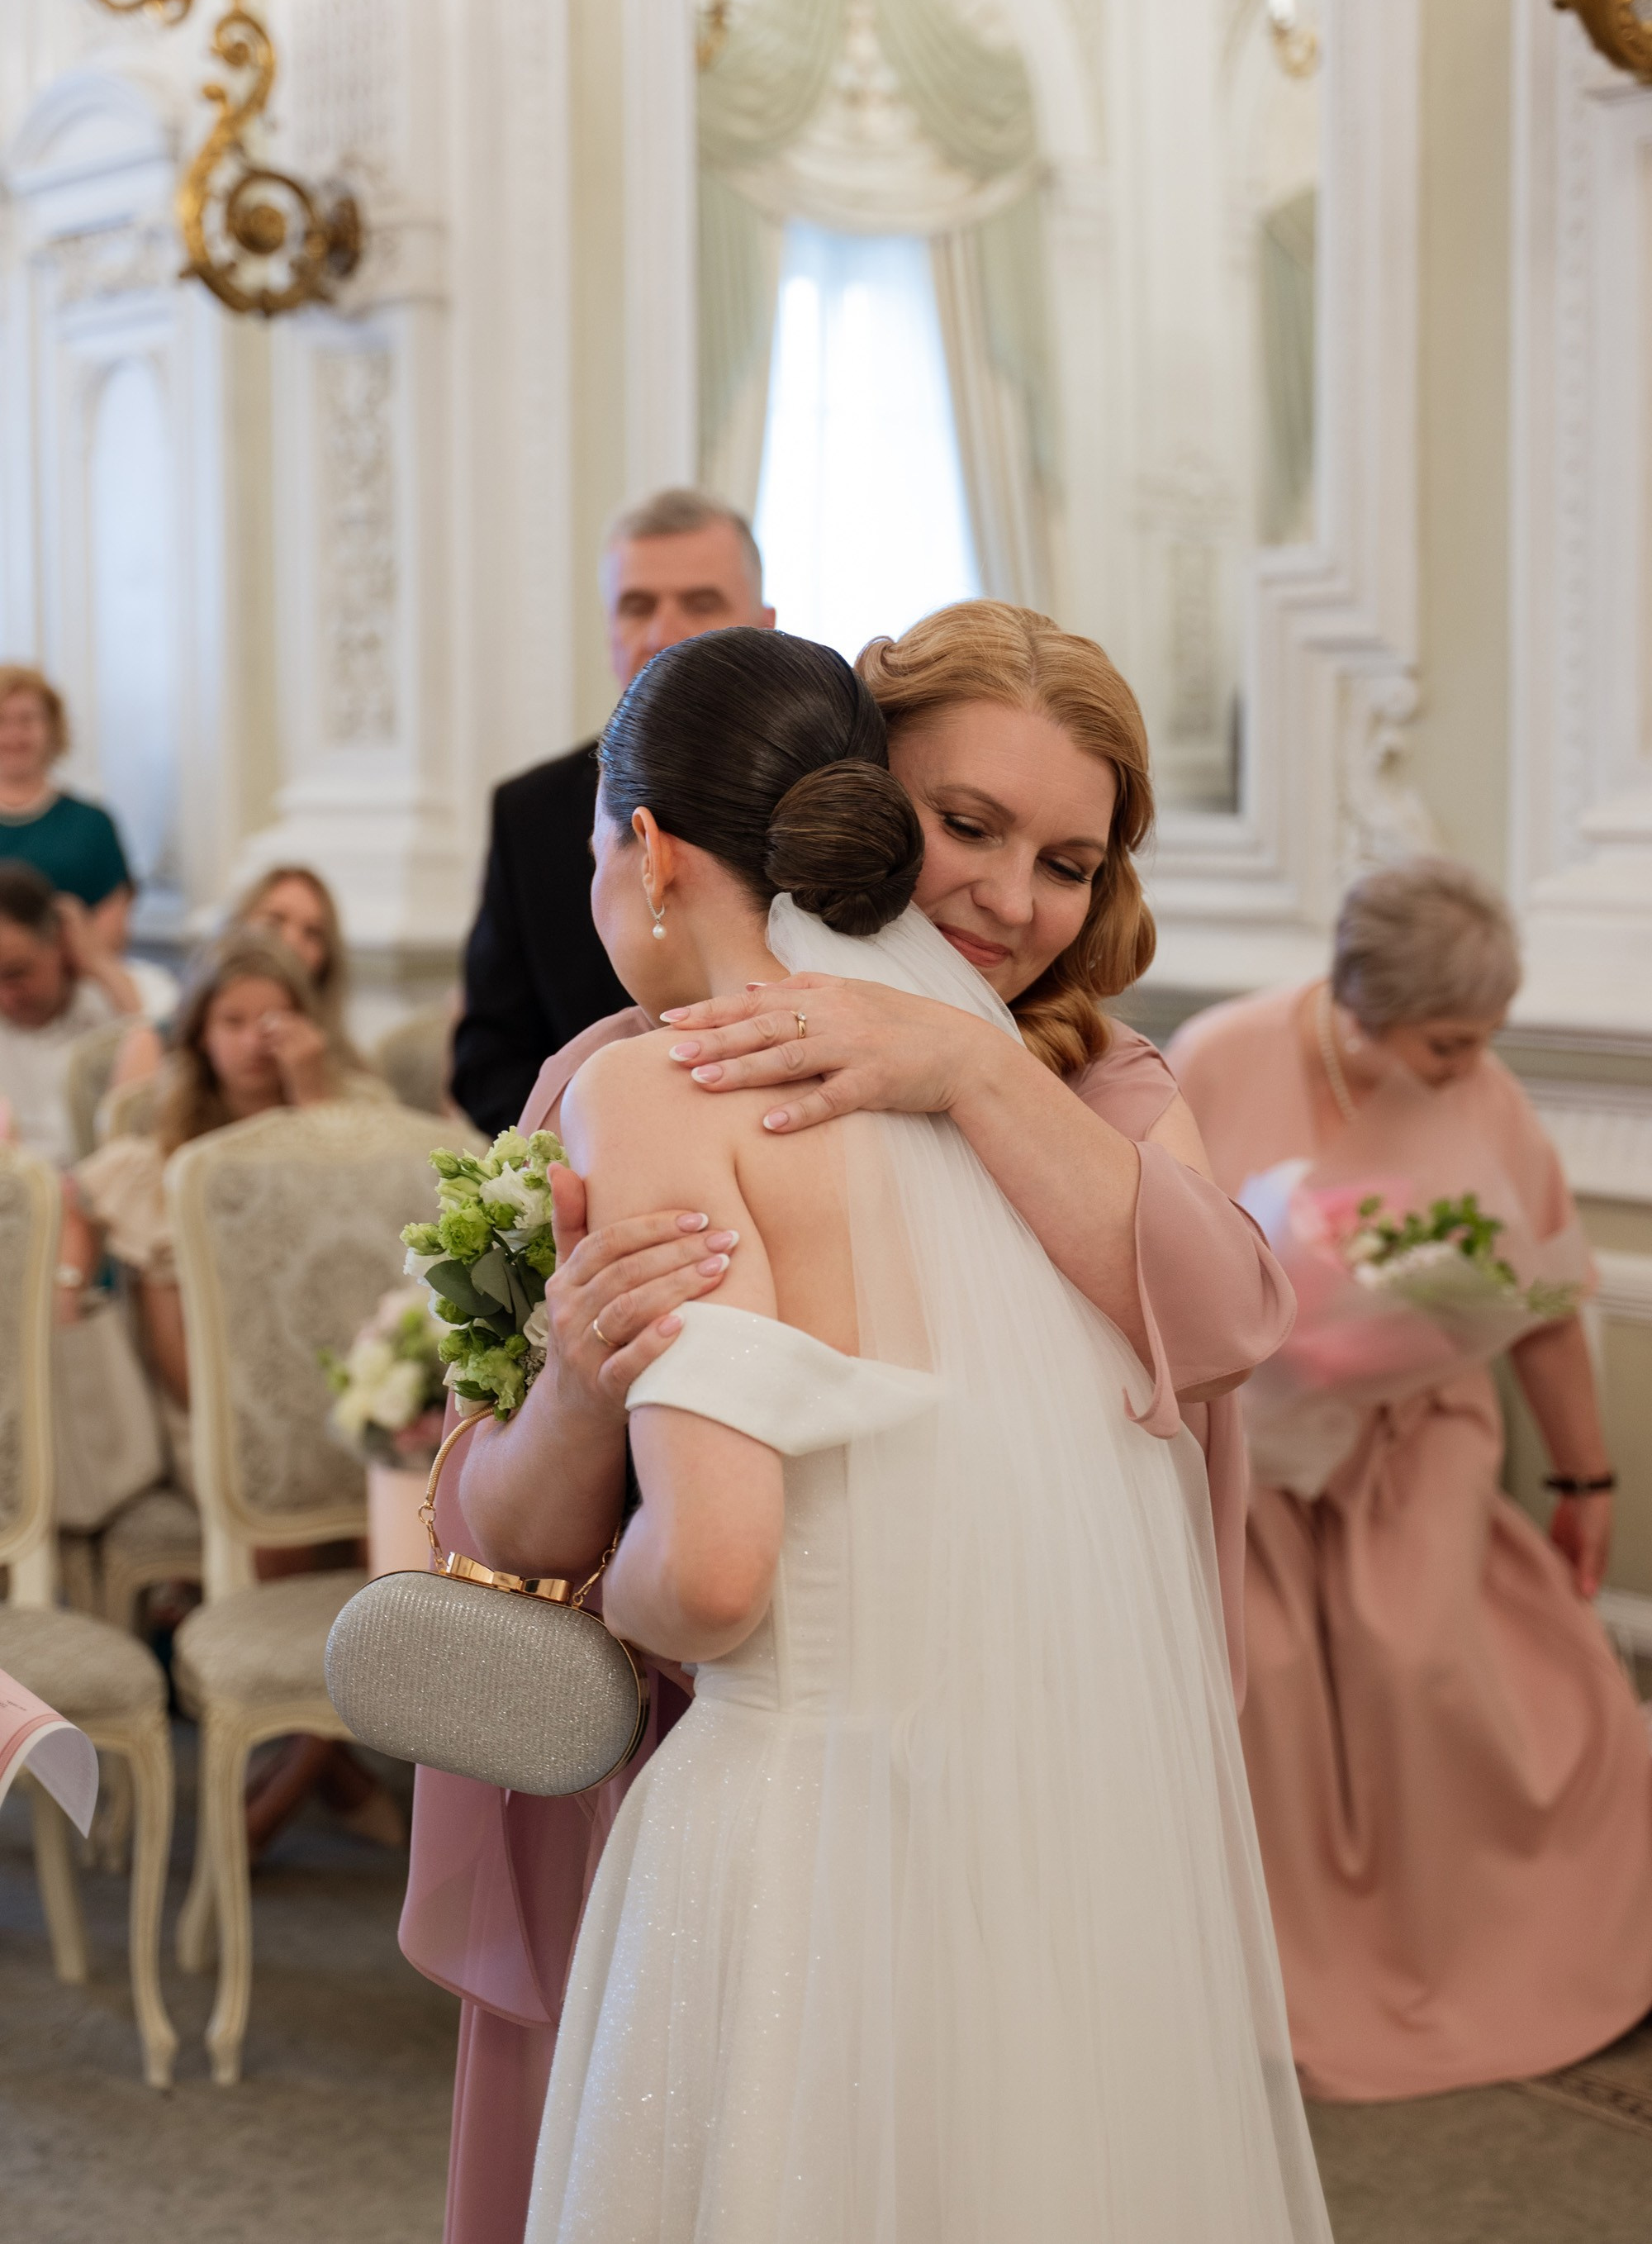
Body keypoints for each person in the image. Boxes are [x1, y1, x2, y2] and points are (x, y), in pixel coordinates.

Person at [403, 603, 1300, 2244]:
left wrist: (969, 1071)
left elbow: (1232, 1318)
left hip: (1030, 1805)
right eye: (964, 824)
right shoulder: (633, 1072)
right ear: (851, 797)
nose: (1006, 896)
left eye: (1069, 861)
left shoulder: (1103, 1091)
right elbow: (499, 1535)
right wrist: (584, 1385)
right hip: (703, 1775)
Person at [1166, 858, 1652, 2102]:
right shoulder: (1223, 1057)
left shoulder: (1480, 1092)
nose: (1467, 1070)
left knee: (1415, 1649)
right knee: (1258, 1674)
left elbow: (1540, 1302)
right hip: (1253, 1441)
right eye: (1446, 1047)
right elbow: (1166, 1275)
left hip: (1420, 1425)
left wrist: (1586, 1483)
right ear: (1357, 1005)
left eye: (1483, 1043)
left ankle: (1479, 1944)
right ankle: (1296, 1971)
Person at [59, 927, 401, 1852]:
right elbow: (178, 1353)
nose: (256, 1037)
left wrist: (309, 1097)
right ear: (200, 1034)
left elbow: (366, 1251)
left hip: (343, 1381)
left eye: (277, 1017)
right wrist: (250, 1419)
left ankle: (290, 1773)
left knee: (387, 1506)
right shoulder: (163, 1153)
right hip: (205, 1407)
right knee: (282, 1494)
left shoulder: (356, 1115)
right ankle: (306, 1780)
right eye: (234, 1019)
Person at [449, 489, 776, 1137]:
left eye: (701, 602)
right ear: (608, 632)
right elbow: (487, 1059)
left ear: (765, 626)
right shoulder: (530, 812)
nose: (664, 634)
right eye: (637, 606)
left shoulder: (828, 792)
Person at [110, 861, 368, 1096]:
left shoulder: (346, 1060)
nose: (291, 943)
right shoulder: (156, 1045)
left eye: (312, 933)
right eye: (274, 921)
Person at [0, 862, 140, 1166]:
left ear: (59, 944)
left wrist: (100, 964)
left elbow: (163, 1074)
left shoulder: (116, 998)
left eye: (16, 974)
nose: (5, 996)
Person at [0, 665, 134, 954]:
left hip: (74, 990)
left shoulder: (92, 825)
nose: (13, 734)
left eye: (27, 720)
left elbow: (110, 938)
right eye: (2, 720)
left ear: (53, 728)